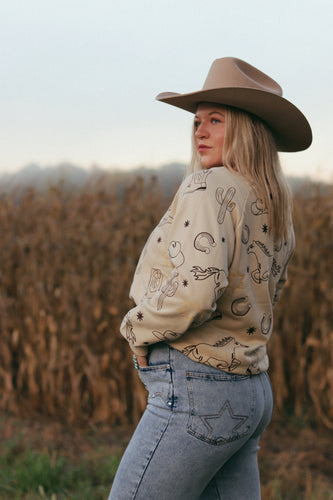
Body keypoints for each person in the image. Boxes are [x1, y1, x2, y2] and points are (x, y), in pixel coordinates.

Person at [108, 57, 312, 500]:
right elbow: (270, 292)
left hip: (197, 390)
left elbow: (196, 293)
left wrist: (136, 330)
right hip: (251, 393)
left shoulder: (209, 186)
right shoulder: (273, 203)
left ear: (247, 128)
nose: (199, 130)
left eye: (215, 120)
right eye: (197, 121)